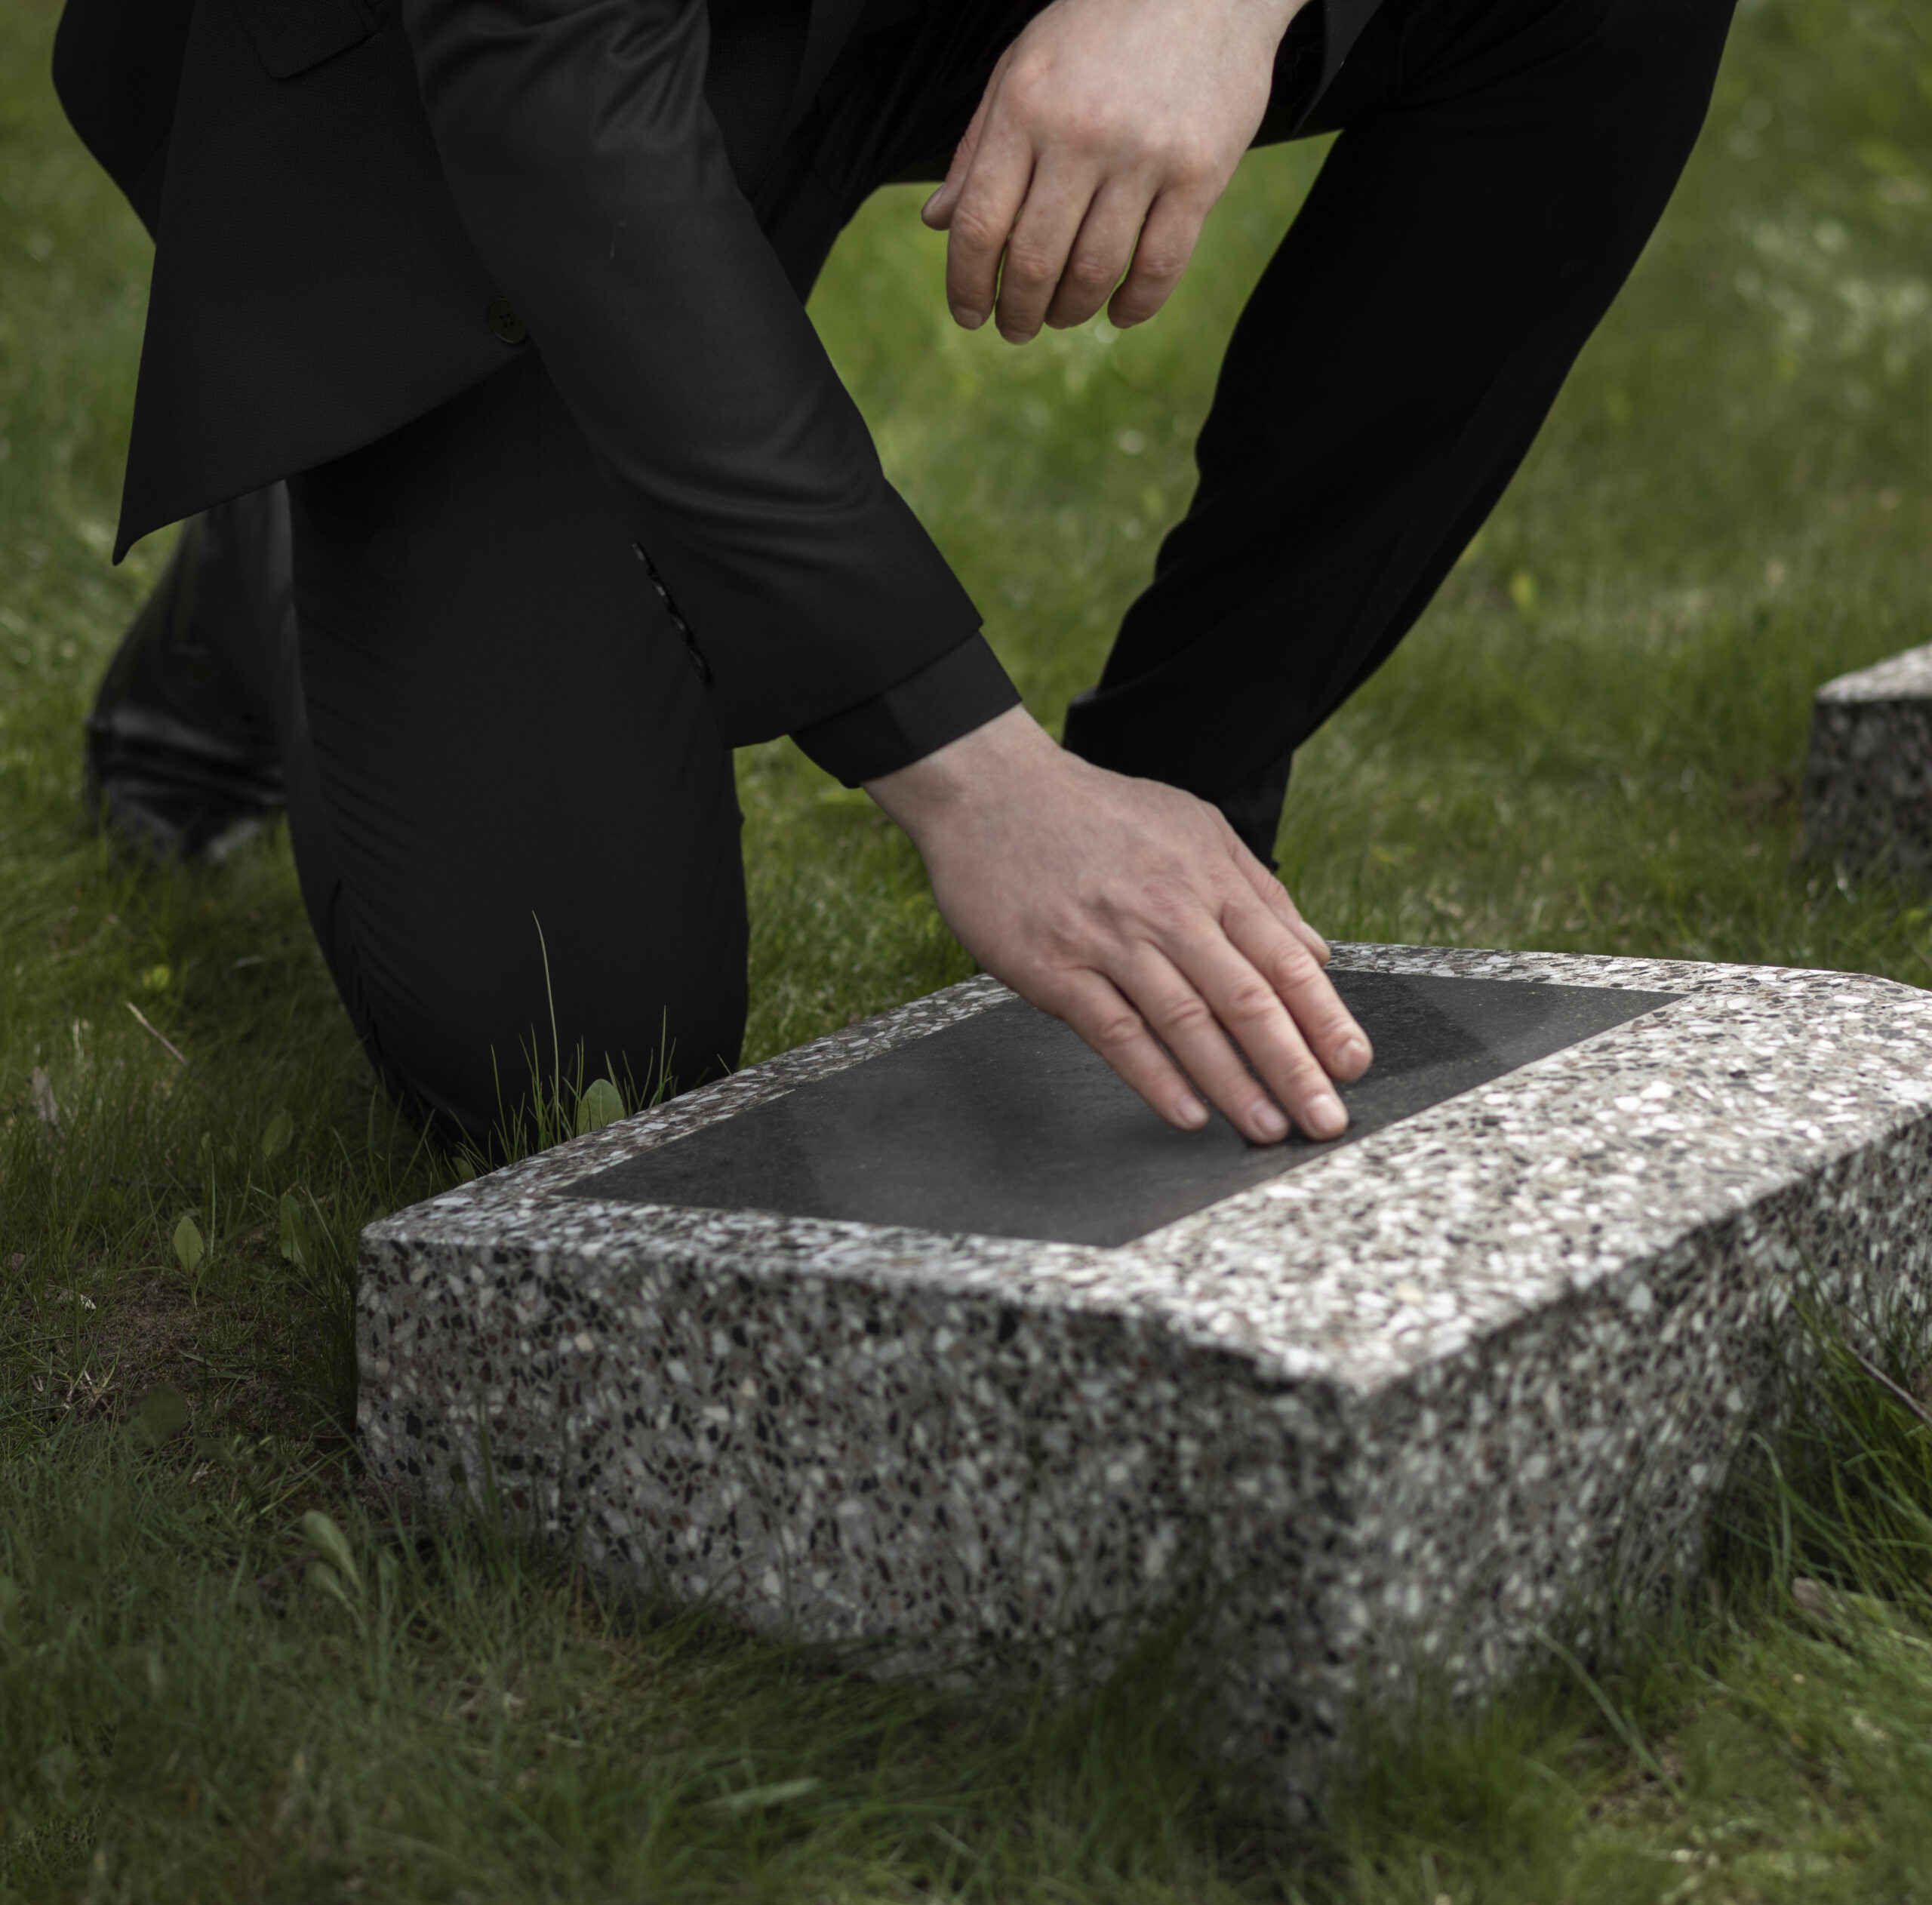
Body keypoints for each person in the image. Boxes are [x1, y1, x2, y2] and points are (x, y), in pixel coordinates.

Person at [54, 0, 1734, 1151]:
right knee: (567, 1051)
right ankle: (278, 554)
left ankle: (1184, 795)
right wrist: (974, 778)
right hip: (480, 86)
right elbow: (559, 109)